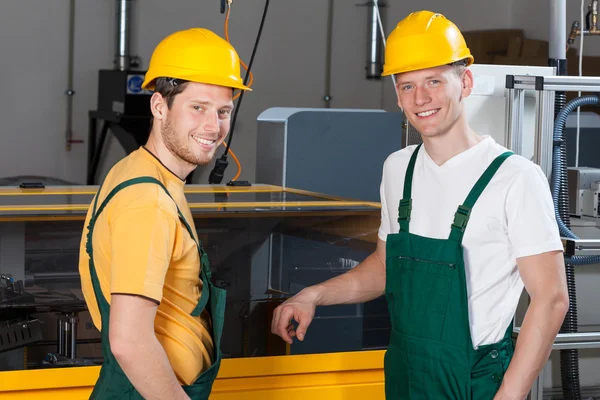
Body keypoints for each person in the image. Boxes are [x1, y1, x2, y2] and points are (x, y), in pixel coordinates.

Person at [271, 10, 569, 400]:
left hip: (475, 381)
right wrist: (312, 294)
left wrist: (507, 397)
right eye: (407, 86)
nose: (421, 98)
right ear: (397, 95)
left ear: (465, 82)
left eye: (433, 81)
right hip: (405, 374)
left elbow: (550, 300)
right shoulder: (399, 169)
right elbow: (384, 267)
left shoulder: (515, 178)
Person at [78, 28, 251, 400]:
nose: (213, 126)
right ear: (159, 106)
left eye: (223, 112)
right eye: (197, 107)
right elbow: (129, 341)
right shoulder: (148, 199)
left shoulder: (142, 170)